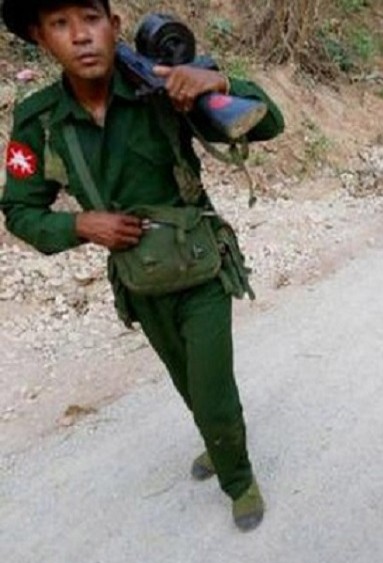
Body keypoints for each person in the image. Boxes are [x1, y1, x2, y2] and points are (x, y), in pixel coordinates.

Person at [1, 0, 284, 531]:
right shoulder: (40, 121)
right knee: (185, 379)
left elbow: (268, 122)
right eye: (60, 24)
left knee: (212, 388)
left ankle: (239, 479)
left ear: (114, 26)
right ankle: (219, 441)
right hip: (138, 278)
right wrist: (82, 225)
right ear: (40, 39)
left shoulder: (161, 87)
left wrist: (215, 81)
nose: (79, 36)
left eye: (90, 18)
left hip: (200, 265)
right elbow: (19, 210)